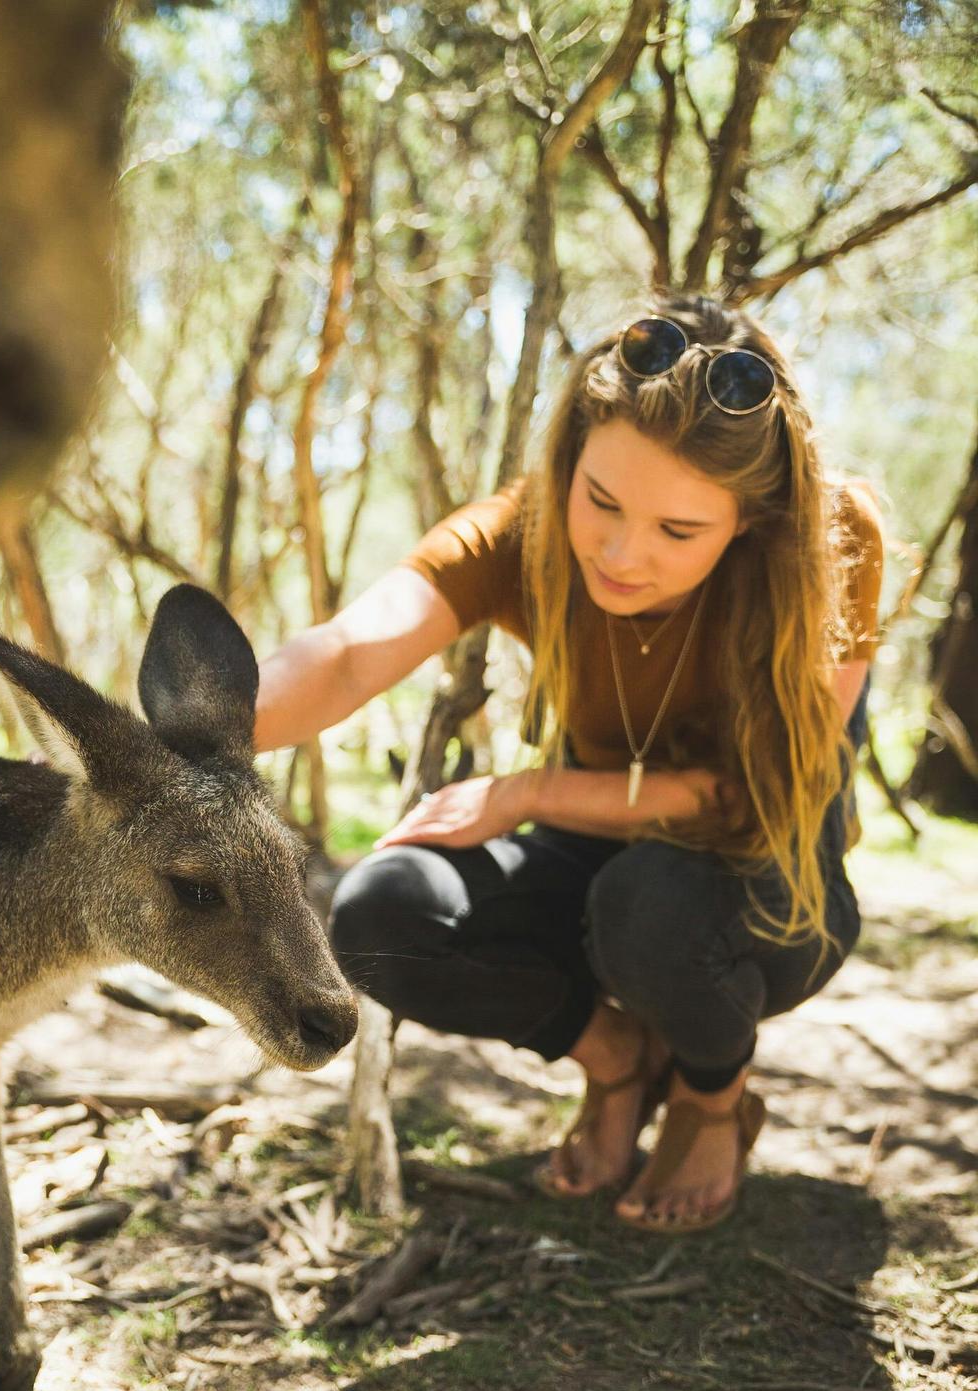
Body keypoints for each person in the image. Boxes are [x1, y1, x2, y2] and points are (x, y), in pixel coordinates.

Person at [254, 294, 883, 1234]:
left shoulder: (831, 542)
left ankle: (715, 1103)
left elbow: (757, 801)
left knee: (653, 906)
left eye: (680, 533)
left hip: (767, 870)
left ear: (748, 522)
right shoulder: (524, 532)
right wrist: (167, 735)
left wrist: (527, 792)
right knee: (383, 911)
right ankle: (619, 1060)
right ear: (570, 462)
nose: (624, 555)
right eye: (602, 502)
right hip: (595, 847)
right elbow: (349, 653)